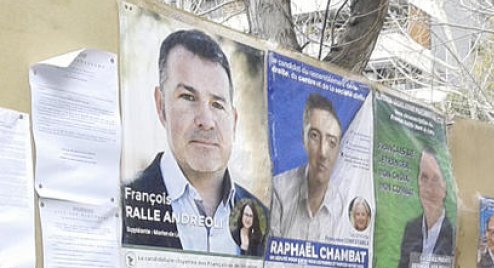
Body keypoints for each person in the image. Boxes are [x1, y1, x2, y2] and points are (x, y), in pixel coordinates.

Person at [122, 29, 267, 253]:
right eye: (188, 97)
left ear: (234, 121)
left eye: (217, 104)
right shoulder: (123, 209)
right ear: (161, 106)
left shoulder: (262, 217)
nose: (206, 121)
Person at [270, 93, 345, 241]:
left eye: (332, 142)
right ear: (303, 138)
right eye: (315, 136)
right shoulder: (279, 189)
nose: (323, 153)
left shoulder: (341, 206)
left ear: (338, 151)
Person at [393, 148, 454, 268]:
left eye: (436, 179)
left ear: (445, 187)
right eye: (424, 178)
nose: (428, 188)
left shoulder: (453, 236)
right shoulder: (411, 230)